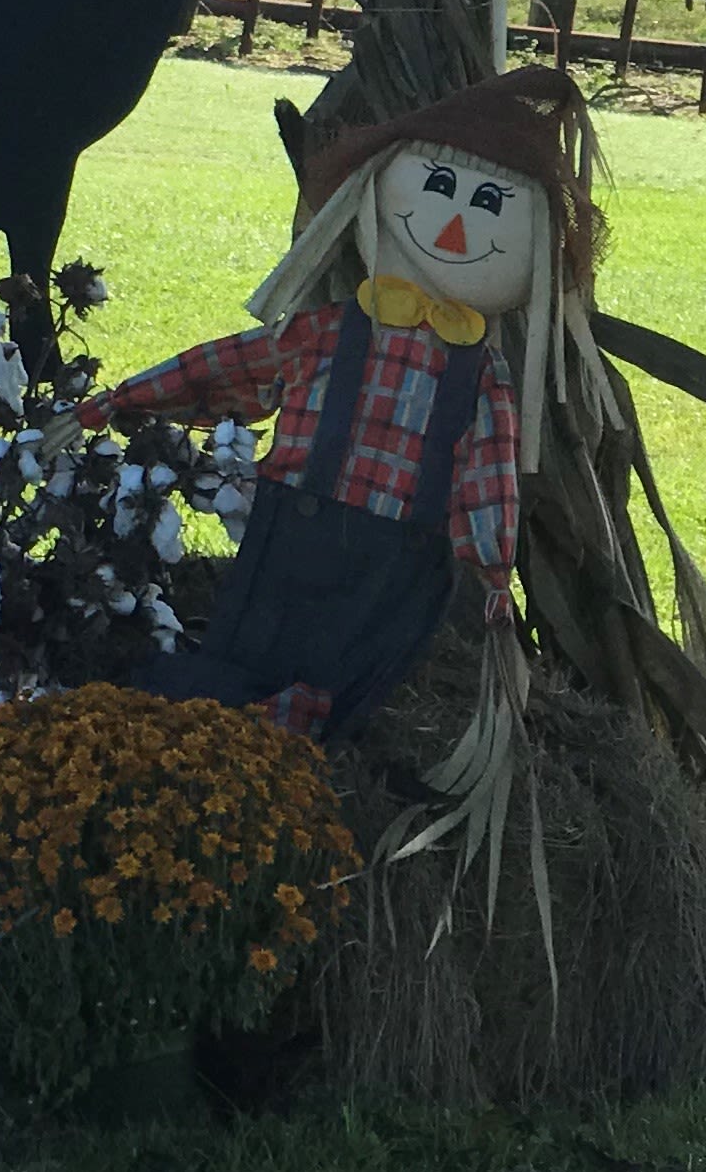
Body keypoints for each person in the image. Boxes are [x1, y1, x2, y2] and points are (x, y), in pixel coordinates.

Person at [81, 66, 602, 739]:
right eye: (438, 187)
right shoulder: (325, 334)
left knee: (345, 688)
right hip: (291, 530)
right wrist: (130, 401)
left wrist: (491, 570)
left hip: (402, 564)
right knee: (242, 652)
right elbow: (233, 366)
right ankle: (193, 737)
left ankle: (278, 759)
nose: (456, 221)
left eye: (490, 204)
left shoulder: (483, 380)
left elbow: (486, 476)